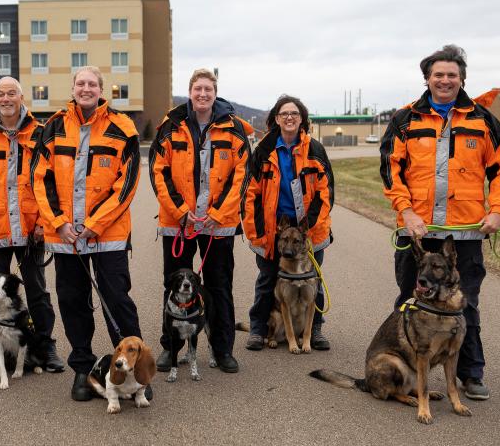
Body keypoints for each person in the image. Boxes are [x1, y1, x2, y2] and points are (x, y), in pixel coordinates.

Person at [380, 45, 500, 401]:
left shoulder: (483, 119)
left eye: (451, 75)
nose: (445, 80)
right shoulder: (405, 119)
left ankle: (471, 374)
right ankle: (406, 371)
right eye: (438, 74)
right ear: (427, 78)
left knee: (465, 305)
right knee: (411, 301)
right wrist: (406, 210)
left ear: (462, 79)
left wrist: (499, 209)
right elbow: (389, 170)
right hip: (417, 232)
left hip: (466, 233)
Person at [31, 66, 144, 401]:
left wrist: (96, 223)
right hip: (66, 238)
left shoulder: (122, 127)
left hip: (107, 236)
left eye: (92, 84)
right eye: (81, 83)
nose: (86, 88)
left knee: (118, 302)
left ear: (101, 89)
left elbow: (127, 183)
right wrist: (58, 223)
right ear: (73, 88)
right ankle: (82, 368)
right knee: (73, 303)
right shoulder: (52, 127)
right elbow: (41, 179)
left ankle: (133, 371)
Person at [149, 68, 251, 373]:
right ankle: (172, 346)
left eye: (208, 89)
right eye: (198, 89)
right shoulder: (171, 126)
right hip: (179, 223)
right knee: (173, 284)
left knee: (219, 287)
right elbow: (159, 172)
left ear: (215, 93)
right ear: (190, 92)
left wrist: (217, 214)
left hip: (218, 226)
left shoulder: (234, 130)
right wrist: (181, 210)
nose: (202, 94)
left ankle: (222, 350)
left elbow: (241, 177)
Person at [0, 76, 64, 375]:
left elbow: (52, 183)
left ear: (21, 97)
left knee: (37, 293)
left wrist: (46, 223)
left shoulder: (41, 134)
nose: (5, 99)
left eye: (11, 93)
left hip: (33, 231)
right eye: (0, 94)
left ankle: (45, 348)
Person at [242, 95, 334, 351]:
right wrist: (257, 232)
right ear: (276, 119)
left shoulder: (315, 149)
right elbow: (250, 194)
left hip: (308, 228)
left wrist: (310, 228)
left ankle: (314, 330)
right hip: (273, 228)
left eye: (294, 113)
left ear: (302, 118)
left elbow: (326, 192)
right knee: (267, 279)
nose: (290, 117)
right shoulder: (262, 151)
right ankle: (259, 330)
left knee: (311, 280)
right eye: (284, 114)